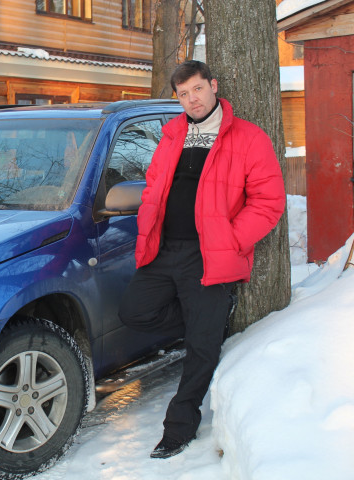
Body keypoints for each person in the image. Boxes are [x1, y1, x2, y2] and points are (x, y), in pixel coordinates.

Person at [118, 60, 286, 459]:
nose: (192, 99)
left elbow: (268, 201)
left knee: (201, 347)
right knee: (134, 312)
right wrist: (147, 221)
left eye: (197, 89)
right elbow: (153, 190)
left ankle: (178, 427)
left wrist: (230, 240)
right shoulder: (173, 135)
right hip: (164, 250)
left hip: (209, 256)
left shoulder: (247, 137)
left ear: (212, 86)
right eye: (183, 93)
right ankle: (206, 319)